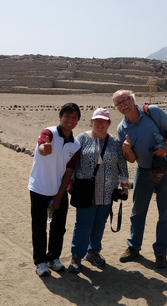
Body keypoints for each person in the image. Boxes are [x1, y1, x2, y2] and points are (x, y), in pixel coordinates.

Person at [112, 89, 167, 268]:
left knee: (165, 213)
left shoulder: (153, 112)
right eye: (118, 103)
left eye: (125, 100)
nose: (123, 105)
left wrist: (166, 145)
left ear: (133, 99)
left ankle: (161, 252)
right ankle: (133, 247)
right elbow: (132, 159)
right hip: (143, 171)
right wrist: (126, 150)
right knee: (137, 212)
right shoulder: (122, 128)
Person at [68, 108, 129, 273]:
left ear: (109, 123)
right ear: (91, 122)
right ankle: (77, 256)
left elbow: (122, 165)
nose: (100, 124)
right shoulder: (81, 138)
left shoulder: (115, 142)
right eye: (97, 121)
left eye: (103, 121)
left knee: (99, 224)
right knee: (82, 224)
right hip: (85, 191)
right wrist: (69, 183)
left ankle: (93, 251)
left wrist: (124, 186)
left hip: (107, 192)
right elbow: (72, 162)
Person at [28, 102, 81, 276]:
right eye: (67, 116)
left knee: (59, 227)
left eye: (74, 118)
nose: (70, 120)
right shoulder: (48, 133)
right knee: (39, 226)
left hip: (59, 190)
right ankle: (40, 261)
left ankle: (53, 258)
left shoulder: (75, 144)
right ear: (60, 117)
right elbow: (43, 145)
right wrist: (44, 148)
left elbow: (69, 171)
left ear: (78, 121)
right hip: (39, 188)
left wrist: (59, 197)